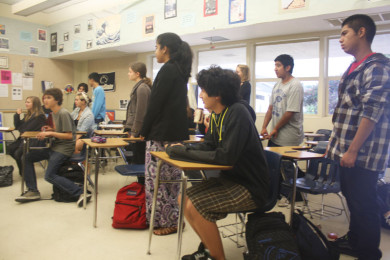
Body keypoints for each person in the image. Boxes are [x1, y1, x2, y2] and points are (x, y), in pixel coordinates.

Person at [166, 66, 269, 260]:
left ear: (218, 94)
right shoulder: (216, 114)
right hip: (231, 180)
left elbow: (225, 157)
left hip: (250, 187)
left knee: (196, 206)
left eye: (204, 90)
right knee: (183, 199)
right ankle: (207, 250)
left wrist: (184, 152)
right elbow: (208, 146)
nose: (201, 95)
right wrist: (182, 149)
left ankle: (217, 258)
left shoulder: (238, 112)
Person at [327, 14, 390, 260]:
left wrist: (352, 150)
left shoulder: (376, 67)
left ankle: (368, 254)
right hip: (347, 151)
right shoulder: (355, 66)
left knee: (365, 206)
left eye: (344, 33)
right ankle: (355, 242)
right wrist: (334, 148)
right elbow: (347, 113)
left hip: (363, 153)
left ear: (361, 32)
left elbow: (372, 112)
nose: (340, 39)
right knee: (354, 202)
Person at [140, 32, 193, 236]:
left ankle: (166, 222)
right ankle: (169, 219)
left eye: (156, 47)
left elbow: (155, 104)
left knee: (158, 182)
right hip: (173, 134)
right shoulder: (179, 70)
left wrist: (143, 131)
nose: (155, 52)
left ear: (165, 49)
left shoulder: (167, 70)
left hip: (161, 135)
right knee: (169, 182)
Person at [15, 88, 91, 207]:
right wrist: (52, 130)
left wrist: (50, 133)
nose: (45, 100)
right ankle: (33, 190)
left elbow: (70, 135)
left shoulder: (63, 113)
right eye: (44, 98)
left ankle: (81, 192)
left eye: (49, 98)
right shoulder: (54, 113)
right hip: (55, 147)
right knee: (27, 157)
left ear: (57, 100)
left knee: (49, 175)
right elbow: (62, 131)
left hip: (63, 149)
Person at [261, 54, 304, 147]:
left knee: (285, 162)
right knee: (269, 160)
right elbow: (270, 108)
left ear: (288, 67)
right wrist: (264, 127)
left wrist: (276, 128)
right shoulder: (277, 84)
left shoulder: (295, 85)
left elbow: (290, 112)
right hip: (275, 136)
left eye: (278, 65)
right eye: (275, 66)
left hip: (288, 138)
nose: (275, 69)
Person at [8, 96, 46, 175]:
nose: (26, 104)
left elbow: (26, 129)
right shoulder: (28, 115)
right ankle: (24, 171)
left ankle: (24, 172)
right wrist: (17, 115)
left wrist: (22, 130)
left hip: (34, 140)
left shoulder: (39, 116)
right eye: (26, 102)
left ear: (34, 104)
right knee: (10, 149)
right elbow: (18, 127)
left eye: (28, 102)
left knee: (18, 153)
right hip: (25, 138)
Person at [124, 62, 152, 164]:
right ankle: (140, 180)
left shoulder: (142, 88)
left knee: (139, 160)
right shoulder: (139, 87)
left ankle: (141, 180)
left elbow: (140, 113)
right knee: (137, 158)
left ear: (138, 74)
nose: (128, 74)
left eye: (130, 72)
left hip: (139, 131)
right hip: (138, 130)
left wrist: (134, 132)